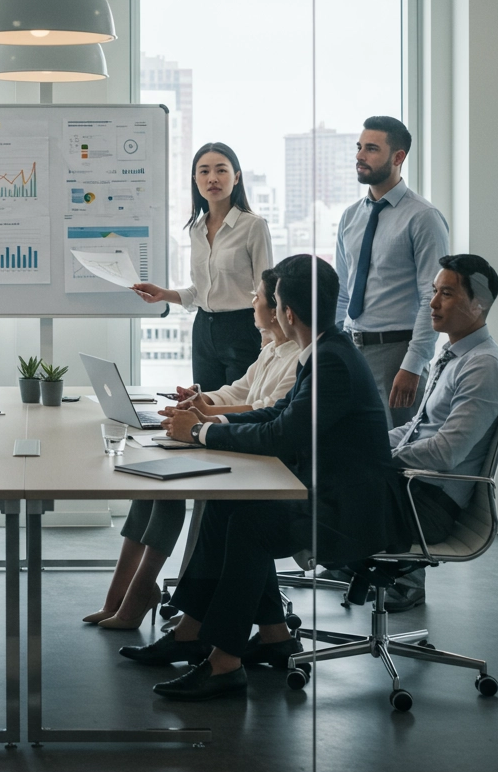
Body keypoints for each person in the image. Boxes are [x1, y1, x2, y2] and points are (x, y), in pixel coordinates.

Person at [120, 255, 411, 702]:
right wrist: (207, 423)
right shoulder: (327, 350)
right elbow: (279, 413)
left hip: (347, 509)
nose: (269, 308)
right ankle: (224, 634)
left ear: (287, 312)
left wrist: (200, 432)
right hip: (327, 490)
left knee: (250, 527)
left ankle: (224, 664)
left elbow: (282, 433)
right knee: (226, 505)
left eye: (272, 300)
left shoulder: (329, 360)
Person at [83, 269, 299, 630]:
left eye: (257, 297)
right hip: (237, 443)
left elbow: (265, 411)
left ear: (278, 308)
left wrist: (204, 421)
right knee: (151, 482)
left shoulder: (296, 359)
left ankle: (140, 596)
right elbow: (239, 391)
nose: (251, 302)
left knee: (171, 484)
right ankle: (118, 597)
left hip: (259, 459)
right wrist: (203, 400)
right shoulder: (273, 350)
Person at [379, 254, 498, 611]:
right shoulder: (455, 354)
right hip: (412, 489)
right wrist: (368, 445)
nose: (433, 303)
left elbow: (444, 452)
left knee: (304, 504)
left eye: (447, 294)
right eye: (434, 291)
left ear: (478, 303)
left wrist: (377, 457)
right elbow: (415, 430)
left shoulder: (483, 366)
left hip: (427, 505)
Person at [335, 116, 450, 428]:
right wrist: (333, 348)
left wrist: (413, 365)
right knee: (354, 448)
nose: (360, 155)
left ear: (398, 157)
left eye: (371, 149)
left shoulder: (423, 218)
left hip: (397, 353)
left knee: (394, 456)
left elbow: (434, 298)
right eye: (359, 147)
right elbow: (343, 292)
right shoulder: (349, 217)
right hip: (352, 351)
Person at [133, 141, 273, 391]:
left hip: (243, 329)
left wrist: (268, 337)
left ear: (236, 177)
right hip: (203, 331)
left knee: (241, 409)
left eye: (221, 170)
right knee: (206, 405)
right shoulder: (196, 230)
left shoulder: (253, 226)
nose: (212, 179)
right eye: (204, 171)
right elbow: (199, 292)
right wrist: (163, 294)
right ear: (195, 179)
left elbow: (266, 290)